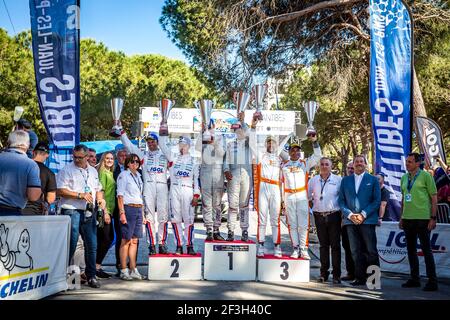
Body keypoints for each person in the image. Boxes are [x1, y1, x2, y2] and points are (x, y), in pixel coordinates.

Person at [56, 144, 106, 288]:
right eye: (75, 157)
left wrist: (101, 200)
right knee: (71, 243)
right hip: (71, 209)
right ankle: (64, 276)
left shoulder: (93, 171)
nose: (77, 160)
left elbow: (98, 189)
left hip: (89, 211)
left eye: (80, 157)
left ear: (86, 157)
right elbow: (59, 190)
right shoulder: (67, 169)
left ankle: (91, 275)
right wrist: (79, 195)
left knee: (92, 244)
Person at [119, 129, 170, 255]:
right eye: (148, 142)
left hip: (162, 187)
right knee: (149, 218)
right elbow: (129, 146)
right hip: (148, 187)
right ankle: (152, 244)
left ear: (157, 142)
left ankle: (162, 243)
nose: (150, 144)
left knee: (163, 217)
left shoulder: (166, 155)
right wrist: (122, 133)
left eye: (153, 141)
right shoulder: (143, 156)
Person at [250, 114, 292, 257]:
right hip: (263, 187)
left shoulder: (278, 156)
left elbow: (285, 142)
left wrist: (290, 131)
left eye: (273, 143)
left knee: (275, 219)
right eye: (269, 143)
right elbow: (251, 142)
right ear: (266, 144)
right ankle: (260, 246)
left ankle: (277, 246)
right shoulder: (261, 155)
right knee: (262, 219)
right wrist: (253, 127)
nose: (271, 145)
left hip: (275, 188)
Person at [338, 155, 380, 286]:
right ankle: (359, 278)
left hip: (367, 220)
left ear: (365, 164)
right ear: (353, 164)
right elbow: (341, 201)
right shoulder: (345, 180)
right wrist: (350, 215)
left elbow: (376, 200)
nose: (359, 163)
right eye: (356, 162)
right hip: (350, 221)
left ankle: (374, 279)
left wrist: (363, 214)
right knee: (355, 251)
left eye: (361, 161)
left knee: (370, 250)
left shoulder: (372, 180)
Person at [399, 153, 438, 291]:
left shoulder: (426, 176)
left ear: (417, 163)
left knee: (426, 251)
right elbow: (404, 198)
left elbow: (434, 198)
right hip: (408, 219)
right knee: (411, 251)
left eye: (410, 162)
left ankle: (432, 281)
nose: (407, 164)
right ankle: (414, 278)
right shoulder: (404, 177)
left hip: (423, 219)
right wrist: (401, 217)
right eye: (407, 161)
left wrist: (433, 218)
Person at [281, 135, 322, 259]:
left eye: (297, 150)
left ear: (300, 152)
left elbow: (317, 156)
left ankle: (304, 249)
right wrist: (282, 202)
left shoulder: (305, 163)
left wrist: (314, 142)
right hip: (288, 196)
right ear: (289, 152)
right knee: (292, 224)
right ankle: (295, 248)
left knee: (303, 224)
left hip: (301, 195)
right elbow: (280, 183)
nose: (295, 152)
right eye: (292, 150)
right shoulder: (284, 165)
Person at [159, 131, 200, 255]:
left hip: (188, 190)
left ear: (189, 146)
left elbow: (196, 179)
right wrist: (163, 129)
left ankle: (189, 245)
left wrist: (196, 195)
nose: (182, 147)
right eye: (180, 145)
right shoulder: (173, 158)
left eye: (184, 145)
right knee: (176, 219)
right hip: (175, 190)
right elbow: (162, 144)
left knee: (189, 219)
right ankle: (179, 245)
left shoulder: (194, 161)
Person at [308, 157, 342, 284]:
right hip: (319, 216)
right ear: (319, 166)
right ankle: (323, 274)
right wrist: (315, 208)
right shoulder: (313, 180)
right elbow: (308, 196)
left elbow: (342, 197)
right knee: (323, 246)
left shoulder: (338, 180)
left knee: (335, 246)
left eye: (326, 164)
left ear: (331, 166)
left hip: (334, 215)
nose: (324, 166)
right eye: (322, 164)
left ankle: (337, 275)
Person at [223, 112, 253, 242]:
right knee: (232, 204)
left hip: (246, 176)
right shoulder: (230, 145)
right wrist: (226, 170)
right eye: (237, 129)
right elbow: (226, 161)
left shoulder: (250, 144)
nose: (239, 131)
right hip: (233, 176)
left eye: (241, 129)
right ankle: (230, 231)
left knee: (244, 205)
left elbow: (251, 134)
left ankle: (245, 230)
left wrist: (243, 121)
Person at [116, 154, 146, 280]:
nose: (135, 164)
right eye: (132, 162)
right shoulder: (124, 175)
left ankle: (133, 268)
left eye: (137, 162)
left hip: (138, 208)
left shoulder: (138, 176)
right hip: (128, 208)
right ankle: (123, 269)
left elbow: (140, 196)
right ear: (127, 163)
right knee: (126, 240)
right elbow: (120, 195)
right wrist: (122, 213)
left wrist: (143, 214)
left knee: (135, 241)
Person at [195, 122, 226, 241]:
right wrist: (201, 132)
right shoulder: (202, 138)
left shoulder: (220, 137)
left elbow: (222, 154)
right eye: (207, 127)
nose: (209, 129)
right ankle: (209, 229)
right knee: (206, 204)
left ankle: (216, 229)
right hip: (206, 174)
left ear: (214, 127)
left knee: (217, 204)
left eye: (210, 127)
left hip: (218, 174)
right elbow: (197, 147)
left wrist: (214, 143)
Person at [0, 130, 41, 215]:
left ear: (9, 142)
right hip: (11, 211)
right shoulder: (31, 165)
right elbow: (33, 196)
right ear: (28, 145)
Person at [95, 152, 115, 279]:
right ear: (103, 160)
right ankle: (96, 267)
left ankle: (96, 266)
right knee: (105, 239)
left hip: (109, 211)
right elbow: (100, 192)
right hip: (103, 211)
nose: (109, 160)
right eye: (107, 158)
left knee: (105, 238)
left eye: (112, 158)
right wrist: (105, 212)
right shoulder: (102, 173)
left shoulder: (110, 173)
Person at [22, 142, 57, 215]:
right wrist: (46, 204)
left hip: (16, 207)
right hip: (35, 211)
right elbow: (51, 197)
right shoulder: (49, 173)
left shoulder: (22, 166)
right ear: (47, 155)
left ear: (33, 152)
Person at [112, 146, 128, 275]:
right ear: (117, 157)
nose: (123, 158)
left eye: (125, 156)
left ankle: (130, 264)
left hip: (132, 207)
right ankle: (120, 264)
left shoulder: (134, 170)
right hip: (118, 208)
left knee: (132, 238)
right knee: (120, 237)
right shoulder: (113, 170)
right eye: (121, 156)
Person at [341, 160, 356, 281]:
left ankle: (363, 273)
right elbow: (340, 201)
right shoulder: (343, 182)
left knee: (361, 248)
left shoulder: (364, 180)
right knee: (347, 247)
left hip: (362, 220)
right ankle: (350, 272)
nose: (350, 170)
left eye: (352, 168)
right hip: (346, 221)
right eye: (349, 168)